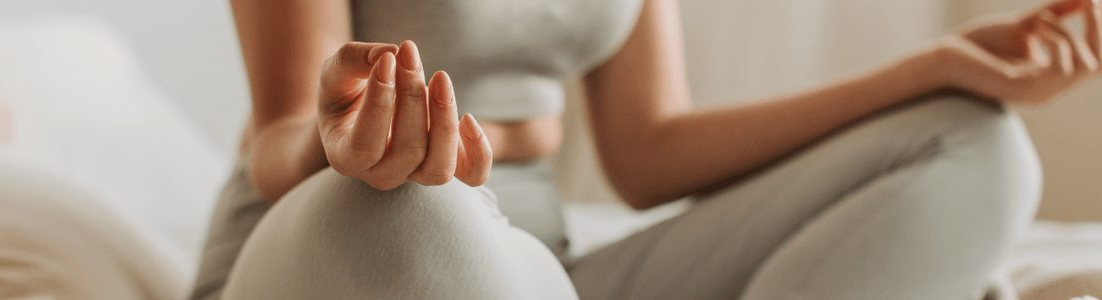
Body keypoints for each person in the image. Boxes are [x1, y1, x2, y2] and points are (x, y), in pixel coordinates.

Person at [190, 0, 1101, 299]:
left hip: (540, 262)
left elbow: (648, 150)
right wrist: (355, 145)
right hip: (331, 244)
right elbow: (278, 138)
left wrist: (940, 69)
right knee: (419, 210)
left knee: (973, 143)